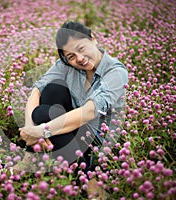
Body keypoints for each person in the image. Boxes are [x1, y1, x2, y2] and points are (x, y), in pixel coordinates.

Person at [16, 21, 128, 199]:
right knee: (52, 89)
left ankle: (87, 178)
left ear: (93, 38)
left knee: (45, 114)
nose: (80, 58)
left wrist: (41, 130)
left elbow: (89, 112)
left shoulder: (115, 72)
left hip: (98, 139)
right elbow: (37, 89)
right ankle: (31, 155)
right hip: (72, 130)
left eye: (81, 48)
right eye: (71, 56)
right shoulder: (67, 65)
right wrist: (30, 128)